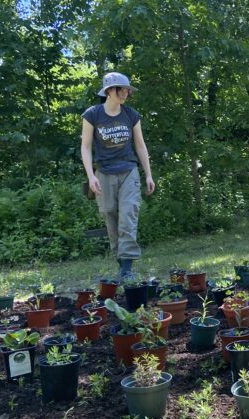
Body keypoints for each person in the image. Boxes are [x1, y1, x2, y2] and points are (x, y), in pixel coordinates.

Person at [80, 72, 155, 281]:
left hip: (128, 170)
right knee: (110, 216)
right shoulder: (92, 114)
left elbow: (140, 145)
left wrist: (148, 175)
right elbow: (85, 147)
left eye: (128, 89)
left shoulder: (131, 115)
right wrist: (91, 176)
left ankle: (128, 268)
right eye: (122, 89)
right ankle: (121, 264)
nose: (127, 92)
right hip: (103, 172)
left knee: (128, 215)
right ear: (109, 91)